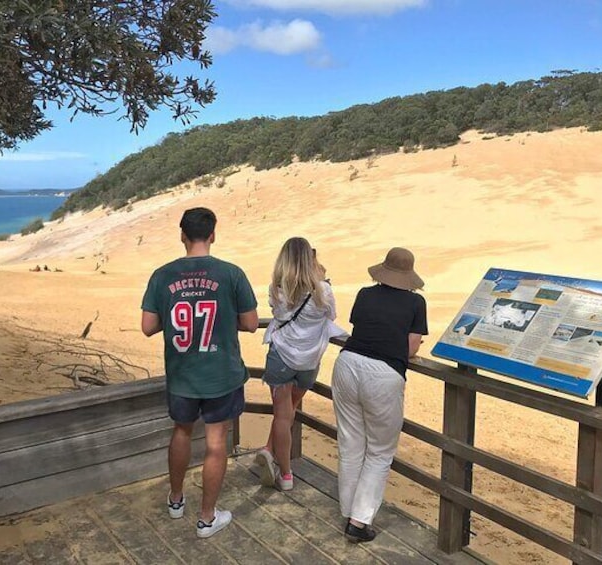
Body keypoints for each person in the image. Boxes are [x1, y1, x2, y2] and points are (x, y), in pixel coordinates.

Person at [141, 207, 258, 539]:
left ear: (182, 235)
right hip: (221, 373)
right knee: (216, 441)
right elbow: (250, 323)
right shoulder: (231, 273)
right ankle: (207, 518)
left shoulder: (162, 275)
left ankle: (176, 500)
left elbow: (148, 326)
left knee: (180, 431)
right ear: (213, 234)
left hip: (181, 375)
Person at [331, 247, 427, 543]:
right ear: (409, 276)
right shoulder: (416, 302)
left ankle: (348, 511)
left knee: (350, 443)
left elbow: (359, 328)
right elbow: (411, 347)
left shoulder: (365, 293)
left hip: (347, 364)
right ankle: (359, 522)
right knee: (380, 451)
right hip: (383, 374)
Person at [255, 238, 340, 491]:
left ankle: (286, 474)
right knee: (290, 409)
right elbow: (331, 316)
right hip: (309, 360)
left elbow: (276, 312)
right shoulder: (323, 290)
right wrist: (321, 278)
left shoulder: (277, 288)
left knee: (283, 415)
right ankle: (270, 451)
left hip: (281, 356)